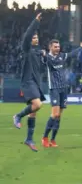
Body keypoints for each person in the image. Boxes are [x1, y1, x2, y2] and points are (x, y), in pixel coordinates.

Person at [41, 39, 82, 148]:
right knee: (55, 114)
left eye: (58, 46)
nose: (58, 48)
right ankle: (45, 137)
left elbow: (71, 54)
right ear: (50, 47)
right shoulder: (47, 58)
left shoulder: (62, 56)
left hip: (63, 88)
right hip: (54, 88)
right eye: (55, 46)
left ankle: (53, 140)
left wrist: (81, 47)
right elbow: (44, 58)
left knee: (59, 116)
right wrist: (42, 54)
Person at [12, 13, 45, 152]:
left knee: (34, 111)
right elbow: (27, 35)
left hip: (36, 83)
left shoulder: (37, 52)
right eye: (33, 37)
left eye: (37, 37)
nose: (35, 39)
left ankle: (29, 139)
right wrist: (35, 22)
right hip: (28, 82)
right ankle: (18, 116)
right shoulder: (26, 49)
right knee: (38, 104)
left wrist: (43, 55)